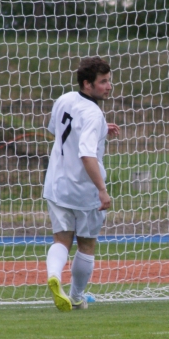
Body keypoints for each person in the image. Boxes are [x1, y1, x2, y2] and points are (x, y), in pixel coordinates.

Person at [43, 57, 120, 311]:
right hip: (84, 191)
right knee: (87, 243)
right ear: (88, 84)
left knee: (61, 240)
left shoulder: (64, 99)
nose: (109, 86)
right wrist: (102, 189)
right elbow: (87, 155)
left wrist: (99, 129)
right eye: (103, 82)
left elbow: (57, 130)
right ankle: (76, 297)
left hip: (56, 184)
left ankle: (54, 275)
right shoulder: (93, 113)